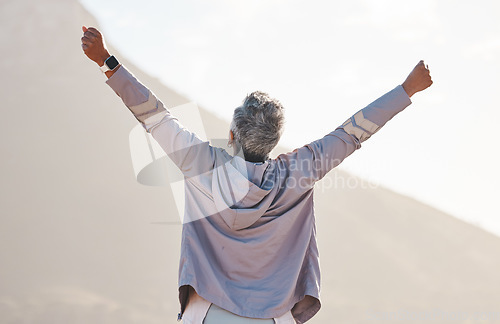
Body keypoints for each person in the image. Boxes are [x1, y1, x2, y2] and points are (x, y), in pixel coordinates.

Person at [81, 26, 433, 324]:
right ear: (275, 141)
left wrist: (106, 62)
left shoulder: (200, 163)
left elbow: (154, 115)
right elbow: (353, 132)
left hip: (206, 312)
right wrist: (407, 89)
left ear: (232, 135)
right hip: (274, 316)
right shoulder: (298, 172)